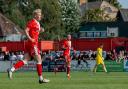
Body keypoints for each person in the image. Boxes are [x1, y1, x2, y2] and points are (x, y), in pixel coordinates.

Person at [7, 9, 50, 84]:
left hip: (30, 44)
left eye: (40, 15)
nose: (40, 16)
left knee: (25, 60)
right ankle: (40, 79)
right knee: (39, 60)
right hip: (32, 44)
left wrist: (40, 31)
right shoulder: (32, 22)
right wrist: (30, 38)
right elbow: (26, 30)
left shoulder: (37, 23)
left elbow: (35, 33)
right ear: (35, 15)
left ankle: (11, 70)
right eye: (39, 15)